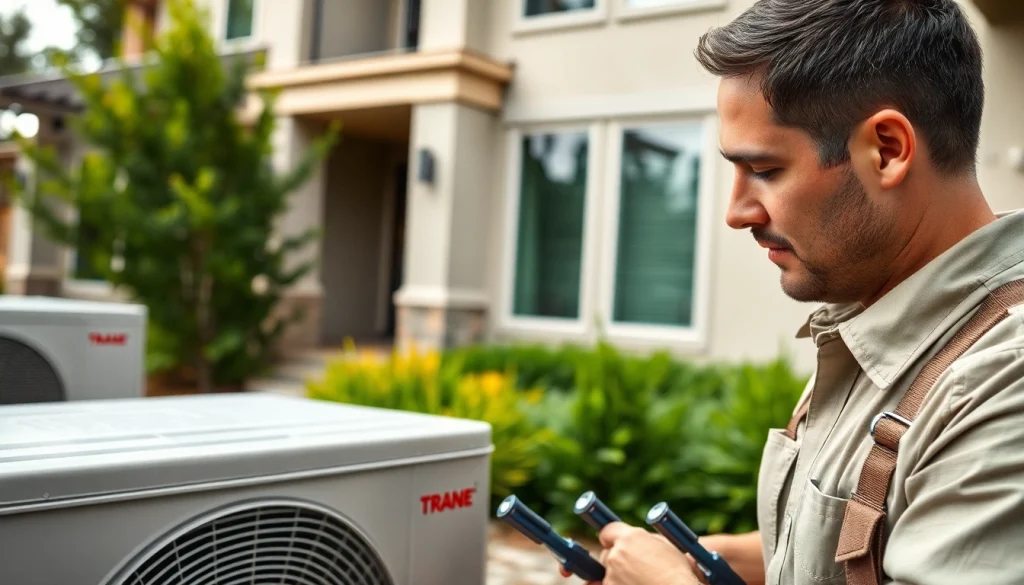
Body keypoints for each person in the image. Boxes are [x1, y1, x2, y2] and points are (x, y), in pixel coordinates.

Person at [560, 0, 1024, 584]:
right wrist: (710, 559)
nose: (737, 212)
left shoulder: (1003, 379)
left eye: (765, 170)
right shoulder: (875, 315)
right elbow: (865, 541)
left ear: (886, 150)